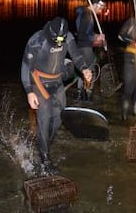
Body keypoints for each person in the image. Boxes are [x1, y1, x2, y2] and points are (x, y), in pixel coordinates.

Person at [21, 17, 92, 173]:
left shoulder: (69, 37)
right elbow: (26, 67)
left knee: (59, 119)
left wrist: (85, 68)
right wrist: (29, 92)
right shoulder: (37, 40)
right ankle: (45, 161)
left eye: (62, 39)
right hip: (39, 83)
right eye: (56, 39)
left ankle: (42, 144)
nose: (59, 42)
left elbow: (77, 55)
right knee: (44, 121)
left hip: (57, 82)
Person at [74, 0, 106, 102]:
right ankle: (87, 94)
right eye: (100, 8)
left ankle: (80, 94)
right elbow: (82, 34)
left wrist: (96, 35)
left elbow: (87, 32)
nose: (100, 11)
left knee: (82, 69)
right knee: (91, 70)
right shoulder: (86, 15)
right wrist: (96, 37)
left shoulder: (87, 14)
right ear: (96, 5)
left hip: (82, 46)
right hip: (84, 47)